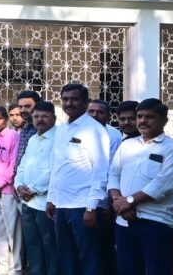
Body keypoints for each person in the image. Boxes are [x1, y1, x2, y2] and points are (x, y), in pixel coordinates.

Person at [108, 98, 173, 275]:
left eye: (150, 117)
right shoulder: (127, 145)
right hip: (124, 222)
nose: (143, 121)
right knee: (127, 270)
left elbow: (164, 184)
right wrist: (118, 202)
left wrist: (129, 201)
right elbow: (113, 174)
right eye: (140, 116)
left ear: (164, 120)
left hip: (157, 223)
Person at [46, 83, 111, 275]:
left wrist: (91, 208)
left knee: (89, 257)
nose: (69, 103)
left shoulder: (94, 130)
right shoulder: (61, 129)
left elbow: (101, 171)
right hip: (61, 205)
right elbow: (56, 167)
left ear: (85, 102)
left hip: (82, 206)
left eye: (74, 99)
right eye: (65, 99)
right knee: (66, 256)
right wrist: (51, 198)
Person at [14, 101, 58, 275]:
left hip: (45, 203)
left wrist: (32, 189)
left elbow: (55, 170)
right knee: (32, 245)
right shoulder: (33, 139)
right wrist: (19, 185)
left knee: (50, 247)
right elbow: (22, 165)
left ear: (54, 118)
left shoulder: (59, 138)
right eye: (36, 116)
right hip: (27, 203)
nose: (40, 120)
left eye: (45, 116)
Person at [88, 98, 122, 275]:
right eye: (91, 111)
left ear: (108, 117)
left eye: (100, 112)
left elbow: (110, 172)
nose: (95, 115)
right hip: (81, 201)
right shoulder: (80, 132)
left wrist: (108, 203)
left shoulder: (113, 136)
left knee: (103, 247)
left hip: (101, 203)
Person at [0, 106, 21, 275]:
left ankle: (15, 268)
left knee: (12, 231)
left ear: (5, 119)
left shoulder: (14, 136)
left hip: (7, 190)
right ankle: (2, 267)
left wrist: (0, 185)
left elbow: (13, 164)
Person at [14, 91, 41, 170]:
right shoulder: (25, 128)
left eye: (27, 106)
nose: (23, 110)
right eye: (20, 107)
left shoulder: (42, 129)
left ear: (37, 106)